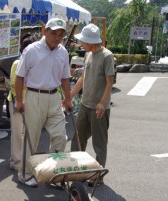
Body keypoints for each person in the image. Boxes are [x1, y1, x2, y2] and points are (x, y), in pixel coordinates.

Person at [15, 18, 73, 187]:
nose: (57, 37)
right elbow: (19, 76)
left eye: (61, 34)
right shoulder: (32, 50)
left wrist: (68, 99)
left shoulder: (63, 52)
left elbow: (65, 78)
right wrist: (19, 100)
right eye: (53, 33)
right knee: (31, 137)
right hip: (34, 95)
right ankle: (25, 173)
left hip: (54, 97)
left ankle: (53, 173)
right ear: (45, 31)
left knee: (60, 136)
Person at [70, 23, 115, 186]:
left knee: (99, 143)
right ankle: (76, 170)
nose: (81, 44)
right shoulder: (88, 55)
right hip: (85, 104)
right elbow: (83, 78)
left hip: (99, 107)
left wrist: (103, 103)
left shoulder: (107, 56)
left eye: (83, 41)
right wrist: (69, 96)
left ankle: (98, 176)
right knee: (78, 139)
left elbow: (110, 81)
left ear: (91, 41)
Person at [8, 35, 36, 171]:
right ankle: (16, 162)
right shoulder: (17, 63)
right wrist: (19, 101)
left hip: (31, 101)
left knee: (28, 134)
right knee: (18, 133)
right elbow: (14, 84)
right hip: (17, 101)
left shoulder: (33, 63)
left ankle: (25, 160)